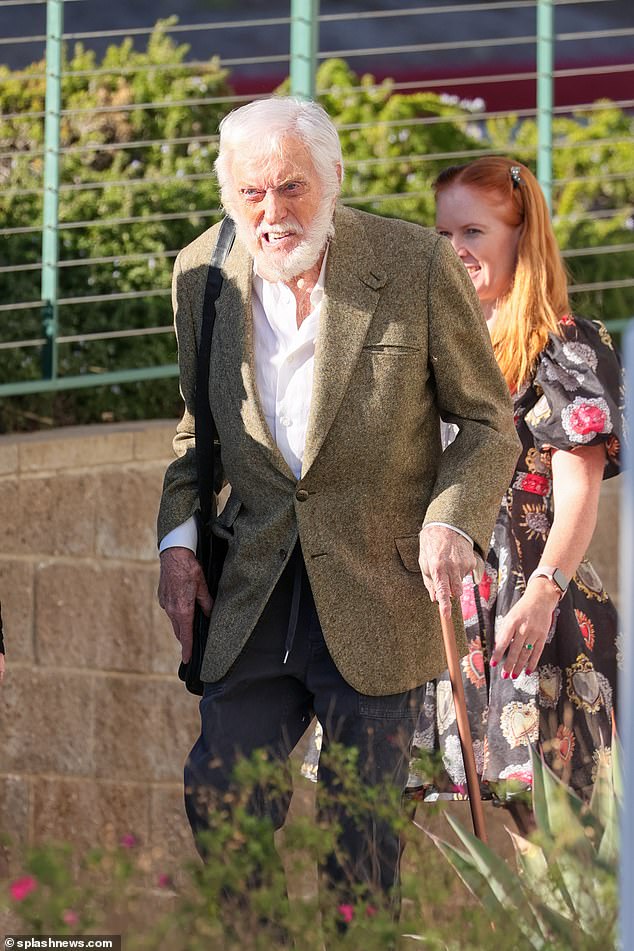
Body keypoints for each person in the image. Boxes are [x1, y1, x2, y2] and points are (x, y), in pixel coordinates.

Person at [156, 98, 520, 910]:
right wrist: (177, 541)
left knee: (361, 842)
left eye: (291, 188)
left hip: (377, 586)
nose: (271, 213)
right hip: (255, 588)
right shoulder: (202, 273)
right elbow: (195, 430)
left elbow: (491, 425)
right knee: (221, 796)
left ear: (334, 179)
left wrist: (451, 517)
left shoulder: (416, 263)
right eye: (250, 193)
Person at [408, 157, 623, 816]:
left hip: (528, 607)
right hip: (428, 606)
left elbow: (579, 487)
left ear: (520, 234)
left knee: (556, 839)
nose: (455, 250)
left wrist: (544, 593)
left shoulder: (566, 346)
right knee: (378, 809)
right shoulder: (430, 342)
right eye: (443, 235)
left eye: (472, 232)